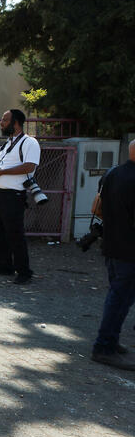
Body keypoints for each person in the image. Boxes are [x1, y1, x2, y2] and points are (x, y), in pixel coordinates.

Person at [0, 109, 41, 284]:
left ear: (16, 123)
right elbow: (1, 165)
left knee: (15, 233)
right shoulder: (7, 143)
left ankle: (24, 271)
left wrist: (2, 172)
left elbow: (29, 167)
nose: (1, 123)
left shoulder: (29, 142)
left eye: (4, 120)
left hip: (13, 195)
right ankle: (5, 265)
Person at [89, 139, 135, 371]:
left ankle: (111, 341)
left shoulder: (112, 173)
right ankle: (104, 347)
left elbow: (97, 207)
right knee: (120, 299)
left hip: (112, 246)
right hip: (129, 251)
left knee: (120, 297)